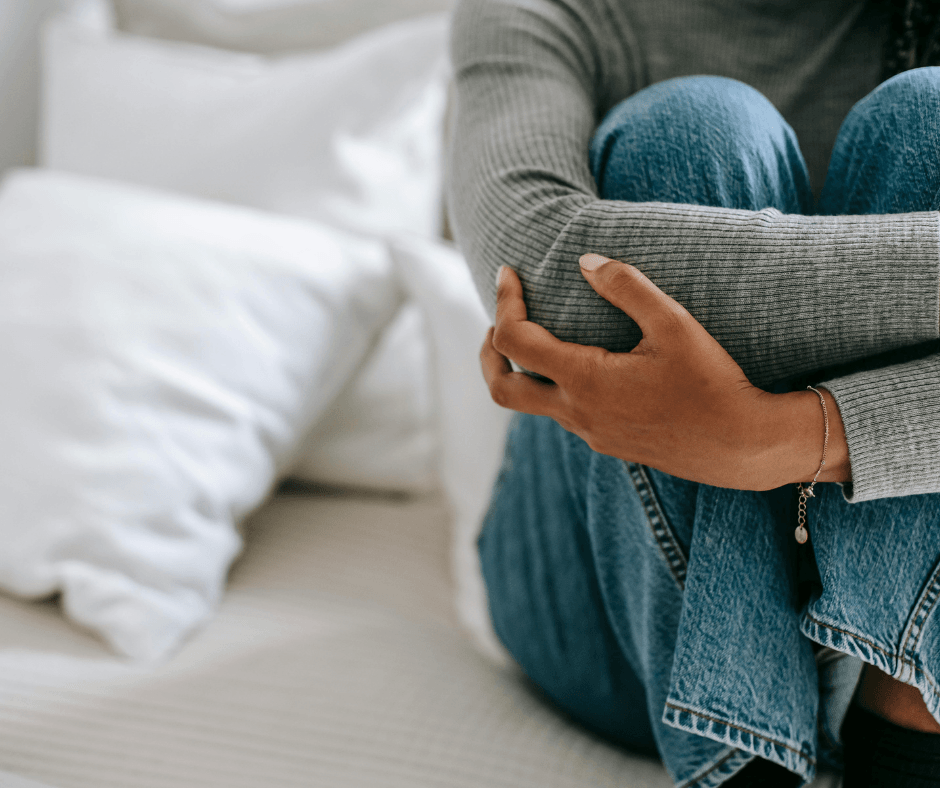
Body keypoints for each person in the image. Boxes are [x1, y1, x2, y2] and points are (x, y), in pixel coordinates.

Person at [447, 0, 940, 785]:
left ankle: (907, 734)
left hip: (897, 631)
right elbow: (544, 276)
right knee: (692, 130)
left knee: (931, 113)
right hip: (602, 604)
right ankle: (744, 765)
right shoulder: (548, 10)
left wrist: (792, 436)